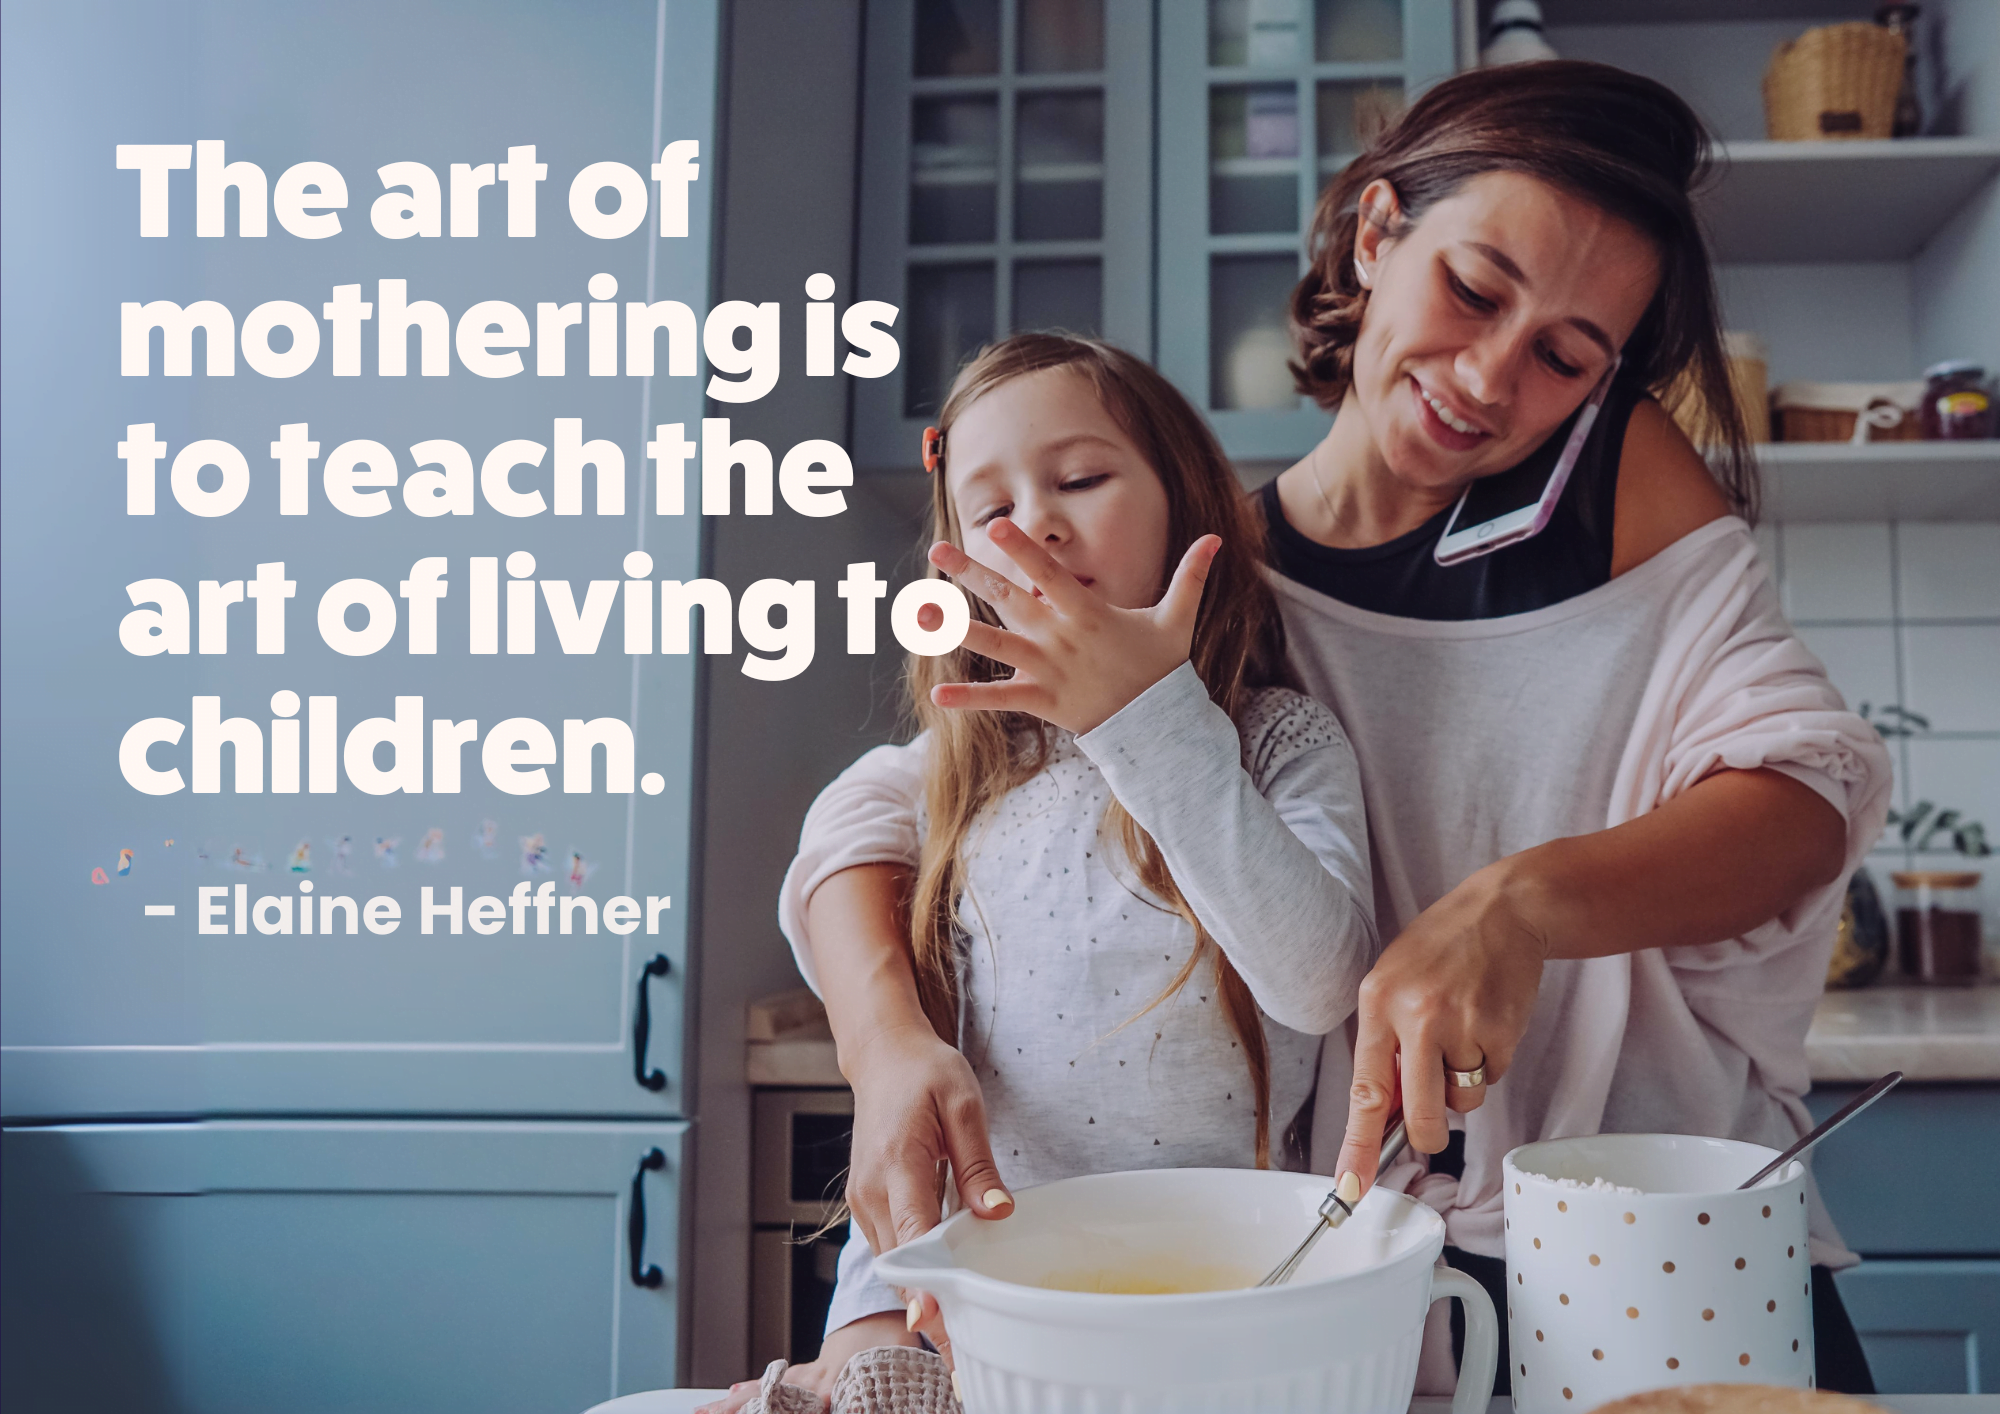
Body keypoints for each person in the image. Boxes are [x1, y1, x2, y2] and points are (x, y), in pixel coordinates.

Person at [774, 63, 1892, 1394]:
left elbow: (1803, 800)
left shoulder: (1619, 487)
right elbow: (891, 803)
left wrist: (1519, 903)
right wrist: (885, 1040)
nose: (1489, 375)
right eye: (1473, 290)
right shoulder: (1203, 582)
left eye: (1564, 355)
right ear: (1375, 234)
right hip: (1371, 1258)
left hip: (1657, 1222)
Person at [705, 334, 1376, 1410]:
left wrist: (1143, 716)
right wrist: (866, 1322)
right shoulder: (971, 765)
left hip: (1208, 1317)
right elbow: (840, 828)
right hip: (985, 1322)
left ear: (1186, 503)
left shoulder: (1275, 743)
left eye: (1079, 479)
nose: (1035, 524)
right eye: (991, 508)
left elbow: (1315, 979)